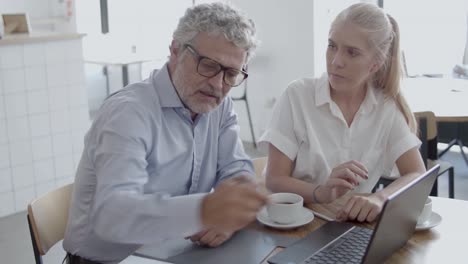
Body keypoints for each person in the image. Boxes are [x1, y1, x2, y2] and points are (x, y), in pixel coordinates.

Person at [63, 3, 268, 263]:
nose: (218, 84)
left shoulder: (220, 105)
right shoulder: (128, 113)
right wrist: (205, 211)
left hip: (174, 252)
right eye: (207, 65)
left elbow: (235, 167)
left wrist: (231, 215)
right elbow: (113, 216)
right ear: (175, 50)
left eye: (231, 73)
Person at [259, 3, 426, 223]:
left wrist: (380, 198)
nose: (336, 61)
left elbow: (416, 174)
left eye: (352, 52)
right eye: (332, 46)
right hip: (291, 222)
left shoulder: (385, 108)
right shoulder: (297, 95)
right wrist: (321, 192)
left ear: (375, 64)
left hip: (344, 224)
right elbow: (274, 179)